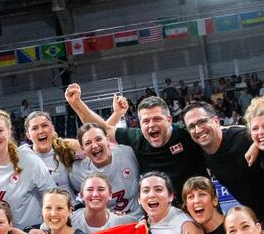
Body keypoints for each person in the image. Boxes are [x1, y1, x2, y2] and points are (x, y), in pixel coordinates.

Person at [65, 83, 207, 199]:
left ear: (169, 120)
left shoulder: (187, 133)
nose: (151, 125)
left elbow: (215, 132)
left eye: (157, 119)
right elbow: (104, 130)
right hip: (163, 214)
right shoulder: (136, 138)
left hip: (199, 203)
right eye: (146, 121)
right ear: (139, 123)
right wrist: (77, 103)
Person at [0, 109, 56, 230]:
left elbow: (53, 196)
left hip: (32, 233)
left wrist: (46, 228)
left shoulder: (29, 160)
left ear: (9, 132)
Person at [182, 101, 264, 222]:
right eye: (192, 126)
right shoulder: (197, 152)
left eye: (202, 122)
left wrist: (256, 144)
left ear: (216, 121)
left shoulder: (244, 136)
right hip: (258, 218)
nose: (198, 129)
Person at [70, 123, 142, 220]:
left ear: (107, 140)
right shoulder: (77, 171)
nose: (94, 145)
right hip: (107, 227)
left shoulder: (128, 152)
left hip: (140, 219)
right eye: (88, 143)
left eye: (99, 139)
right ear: (83, 149)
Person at [23, 110, 78, 199]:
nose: (41, 131)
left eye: (44, 125)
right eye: (35, 128)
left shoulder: (66, 148)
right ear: (28, 135)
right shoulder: (23, 157)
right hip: (43, 211)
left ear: (52, 129)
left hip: (72, 208)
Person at [71, 173, 137, 233]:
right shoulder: (68, 220)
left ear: (110, 195)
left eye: (101, 189)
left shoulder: (128, 223)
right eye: (90, 190)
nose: (95, 194)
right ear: (81, 195)